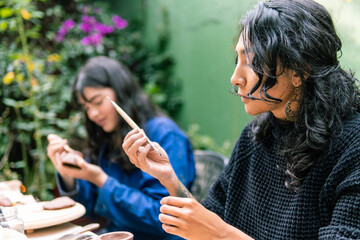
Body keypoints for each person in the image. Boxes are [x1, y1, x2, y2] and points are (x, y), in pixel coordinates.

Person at [122, 0, 360, 239]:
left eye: (251, 61)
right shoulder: (256, 135)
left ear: (299, 70)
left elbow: (217, 232)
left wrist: (221, 234)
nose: (235, 78)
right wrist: (169, 177)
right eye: (238, 60)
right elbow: (210, 220)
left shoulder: (352, 146)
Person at [46, 56, 195, 240]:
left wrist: (101, 179)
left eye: (98, 102)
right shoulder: (110, 136)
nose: (92, 114)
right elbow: (90, 207)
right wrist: (69, 174)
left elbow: (161, 218)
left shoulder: (164, 134)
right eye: (86, 107)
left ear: (121, 92)